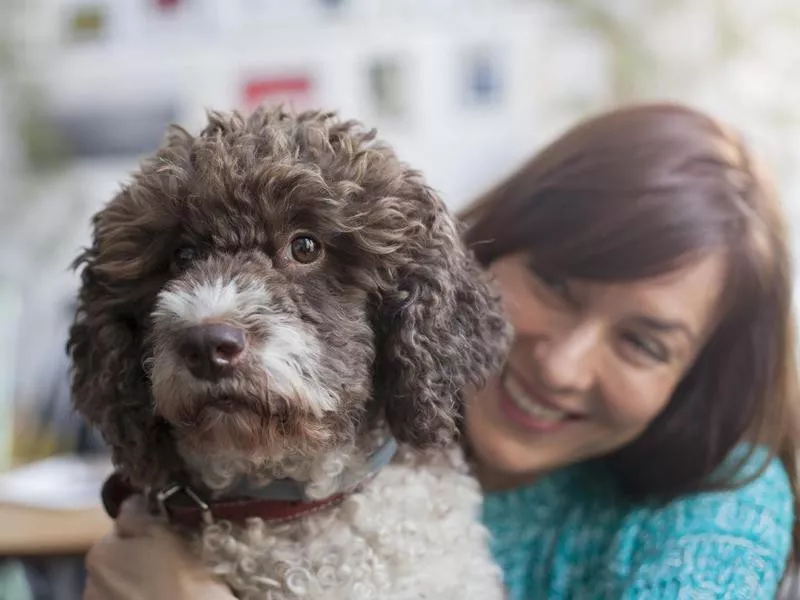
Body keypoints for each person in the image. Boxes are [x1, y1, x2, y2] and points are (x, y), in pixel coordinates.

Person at [82, 102, 800, 599]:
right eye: (555, 284)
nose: (562, 365)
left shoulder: (718, 513)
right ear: (495, 245)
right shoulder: (406, 426)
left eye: (644, 342)